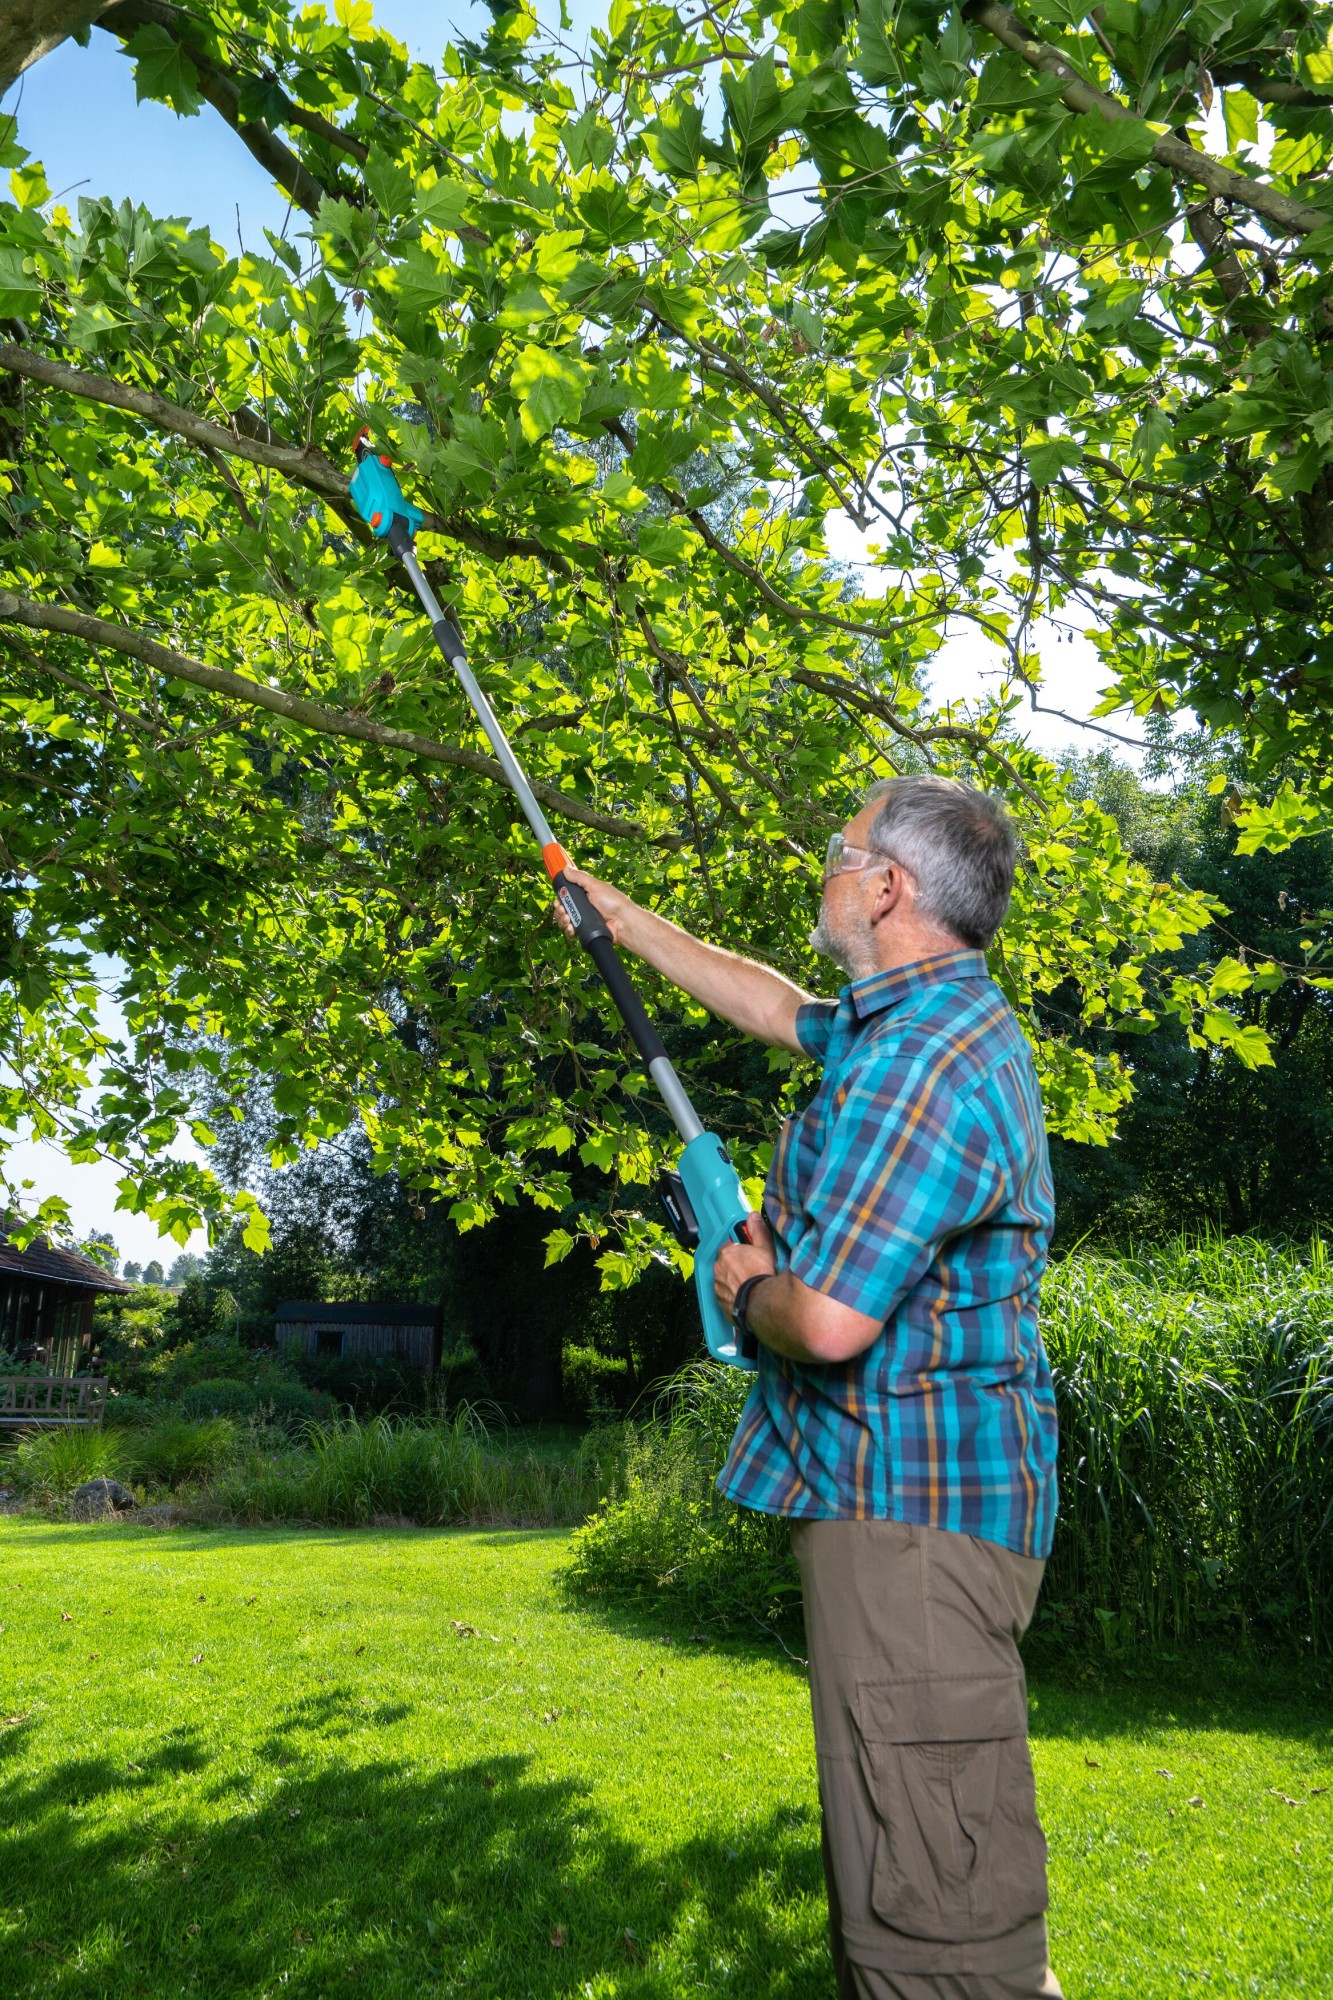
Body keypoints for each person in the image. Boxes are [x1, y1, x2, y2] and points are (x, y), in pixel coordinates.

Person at [556, 774, 1062, 2000]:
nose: (821, 871)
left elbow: (828, 1321)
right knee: (916, 1887)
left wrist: (742, 1288)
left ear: (884, 884)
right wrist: (622, 920)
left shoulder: (918, 1068)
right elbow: (783, 1010)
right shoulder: (907, 1020)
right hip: (906, 1523)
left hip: (913, 1537)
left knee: (939, 1938)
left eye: (835, 853)